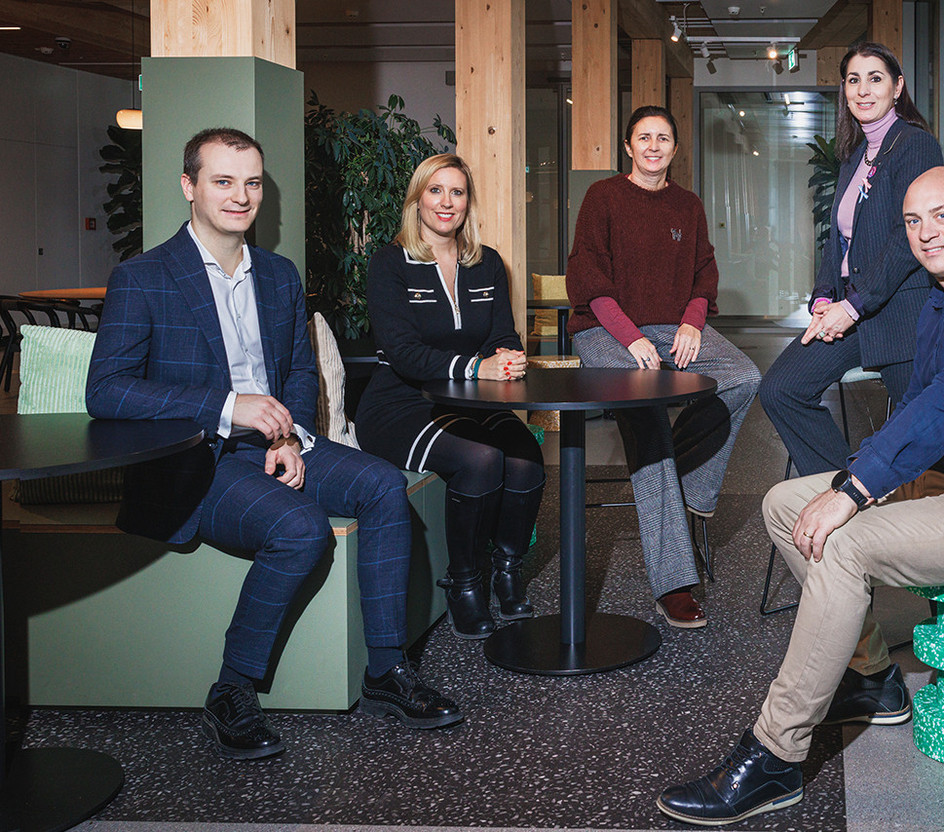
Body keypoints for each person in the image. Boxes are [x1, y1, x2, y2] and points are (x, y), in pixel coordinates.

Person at [657, 167, 944, 825]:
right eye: (912, 221)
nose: (925, 232)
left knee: (843, 545)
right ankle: (873, 676)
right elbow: (915, 404)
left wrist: (854, 493)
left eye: (941, 215)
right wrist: (854, 480)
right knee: (785, 504)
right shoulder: (942, 299)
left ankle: (775, 754)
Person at [86, 128, 461, 761]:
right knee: (300, 528)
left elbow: (298, 372)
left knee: (382, 486)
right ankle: (232, 687)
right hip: (196, 459)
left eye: (252, 182)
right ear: (189, 186)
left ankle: (386, 670)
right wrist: (228, 407)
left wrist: (286, 435)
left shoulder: (280, 276)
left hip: (278, 442)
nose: (241, 196)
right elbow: (107, 390)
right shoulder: (143, 276)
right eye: (223, 181)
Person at [566, 105, 761, 629]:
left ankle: (686, 482)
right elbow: (588, 279)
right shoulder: (603, 197)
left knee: (744, 376)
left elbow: (703, 274)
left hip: (671, 328)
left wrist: (693, 324)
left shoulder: (687, 205)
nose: (653, 146)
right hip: (606, 331)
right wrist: (630, 337)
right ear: (628, 146)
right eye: (644, 137)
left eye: (663, 138)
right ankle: (674, 583)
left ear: (675, 148)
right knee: (648, 418)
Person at [354, 153, 544, 641]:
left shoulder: (487, 263)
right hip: (401, 404)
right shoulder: (390, 263)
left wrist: (509, 358)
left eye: (456, 192)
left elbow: (502, 334)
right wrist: (478, 367)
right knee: (481, 460)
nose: (446, 202)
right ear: (417, 200)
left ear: (467, 202)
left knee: (526, 457)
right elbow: (403, 354)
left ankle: (506, 569)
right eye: (435, 190)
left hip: (470, 401)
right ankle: (463, 582)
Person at [759, 41, 944, 477]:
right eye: (853, 80)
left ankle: (913, 510)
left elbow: (908, 238)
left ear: (897, 87)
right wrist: (825, 297)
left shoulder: (915, 145)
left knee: (921, 440)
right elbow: (838, 241)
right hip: (853, 308)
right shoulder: (854, 155)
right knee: (781, 389)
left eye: (875, 79)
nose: (863, 90)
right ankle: (843, 490)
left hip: (900, 313)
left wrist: (854, 305)